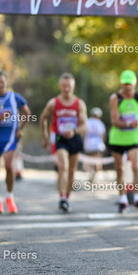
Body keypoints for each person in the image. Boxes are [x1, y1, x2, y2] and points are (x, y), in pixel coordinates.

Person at [0, 71, 31, 214]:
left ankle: (10, 197)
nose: (0, 84)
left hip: (10, 138)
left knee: (9, 166)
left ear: (6, 81)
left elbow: (27, 113)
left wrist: (20, 129)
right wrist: (1, 117)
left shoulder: (15, 98)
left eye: (2, 81)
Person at [40, 73, 88, 212]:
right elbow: (43, 118)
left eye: (69, 86)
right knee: (63, 166)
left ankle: (67, 198)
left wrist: (74, 130)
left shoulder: (79, 104)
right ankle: (62, 197)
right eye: (64, 86)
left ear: (73, 86)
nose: (67, 89)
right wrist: (45, 137)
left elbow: (85, 125)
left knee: (71, 171)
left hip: (74, 138)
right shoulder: (53, 103)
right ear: (60, 86)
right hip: (60, 138)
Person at [108, 69, 138, 212]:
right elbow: (114, 121)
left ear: (134, 84)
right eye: (125, 84)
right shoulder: (115, 98)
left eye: (130, 84)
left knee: (135, 166)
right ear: (121, 84)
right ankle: (122, 199)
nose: (128, 87)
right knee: (119, 169)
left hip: (134, 137)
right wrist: (129, 124)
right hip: (118, 138)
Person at [84, 107, 107, 183]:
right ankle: (94, 175)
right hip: (98, 145)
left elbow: (84, 133)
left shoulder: (87, 122)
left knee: (89, 161)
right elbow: (103, 135)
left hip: (88, 145)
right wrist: (104, 144)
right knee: (97, 161)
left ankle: (91, 174)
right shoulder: (100, 123)